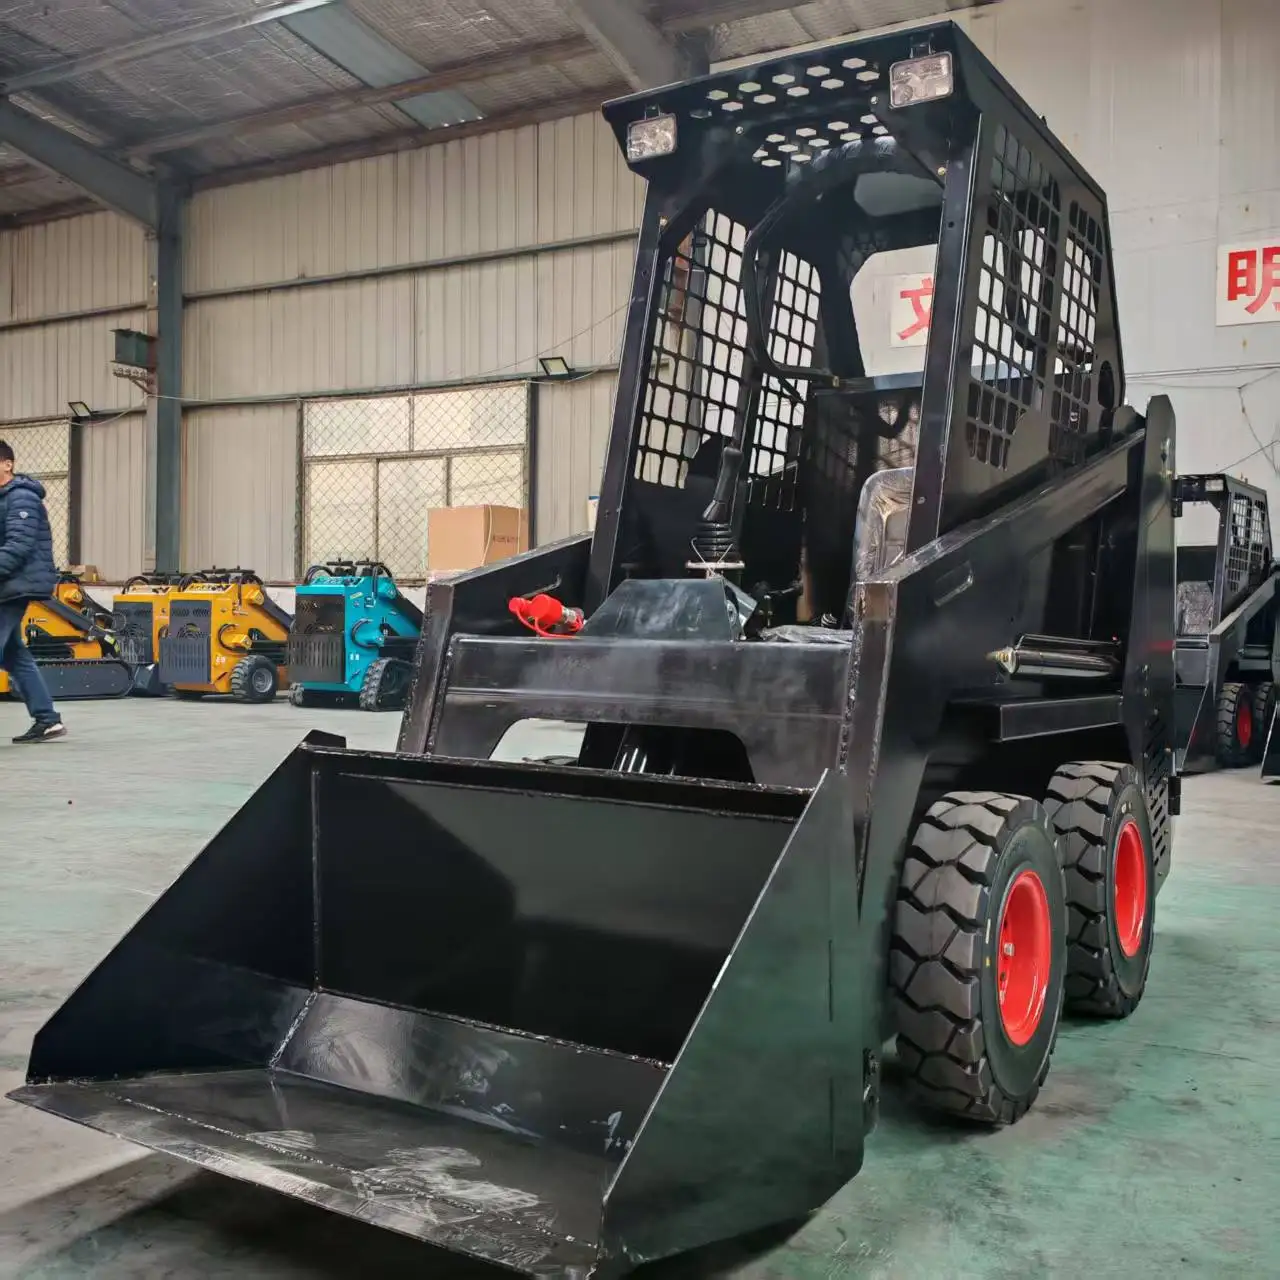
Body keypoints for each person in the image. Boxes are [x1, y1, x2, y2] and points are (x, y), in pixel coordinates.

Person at [0, 439, 66, 742]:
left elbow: (18, 546)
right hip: (7, 585)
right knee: (14, 655)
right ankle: (47, 719)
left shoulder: (21, 498)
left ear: (7, 464)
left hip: (15, 586)